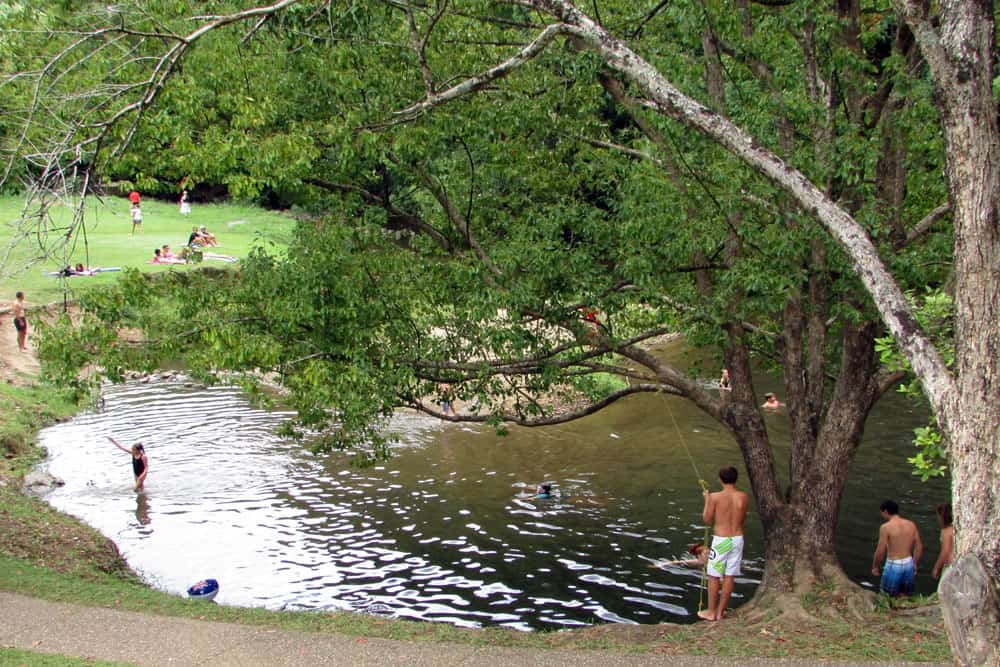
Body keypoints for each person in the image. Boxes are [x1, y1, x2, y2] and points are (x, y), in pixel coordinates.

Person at [699, 466, 749, 621]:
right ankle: (721, 613)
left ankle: (712, 612)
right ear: (736, 479)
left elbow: (707, 519)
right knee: (729, 575)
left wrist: (707, 500)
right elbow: (742, 518)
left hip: (722, 540)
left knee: (714, 576)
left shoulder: (715, 497)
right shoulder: (743, 496)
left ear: (720, 479)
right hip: (737, 539)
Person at [871, 499, 923, 597]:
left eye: (881, 512)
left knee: (886, 595)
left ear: (885, 511)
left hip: (893, 564)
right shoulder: (911, 524)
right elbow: (919, 546)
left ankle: (890, 612)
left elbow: (881, 549)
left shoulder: (886, 527)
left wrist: (875, 566)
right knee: (905, 595)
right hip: (908, 562)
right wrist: (914, 563)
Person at [931, 502, 954, 580]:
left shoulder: (946, 531)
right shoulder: (956, 528)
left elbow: (945, 551)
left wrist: (936, 567)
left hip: (950, 565)